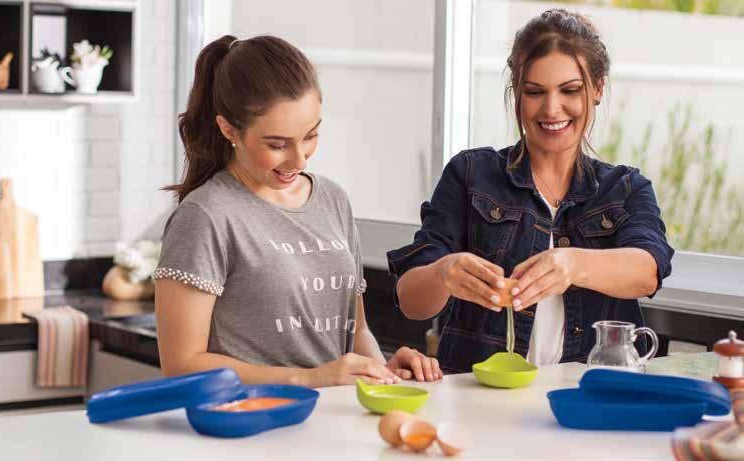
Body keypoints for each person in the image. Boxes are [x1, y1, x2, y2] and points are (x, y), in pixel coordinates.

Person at [387, 9, 674, 374]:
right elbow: (412, 302)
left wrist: (572, 264)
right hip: (478, 400)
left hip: (585, 398)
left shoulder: (625, 188)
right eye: (535, 92)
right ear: (516, 93)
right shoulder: (472, 174)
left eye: (570, 90)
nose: (552, 109)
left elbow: (647, 270)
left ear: (597, 89)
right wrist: (444, 272)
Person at [154, 35, 442, 388]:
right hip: (249, 430)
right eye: (277, 144)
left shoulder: (332, 200)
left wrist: (381, 371)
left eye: (311, 135)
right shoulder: (206, 216)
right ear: (229, 129)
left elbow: (356, 331)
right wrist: (308, 379)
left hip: (330, 428)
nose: (299, 159)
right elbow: (181, 365)